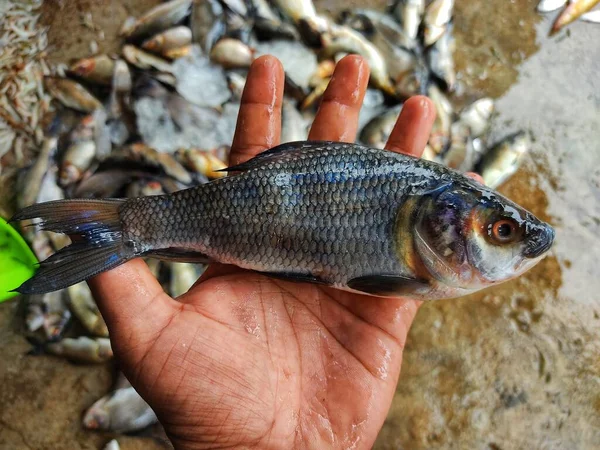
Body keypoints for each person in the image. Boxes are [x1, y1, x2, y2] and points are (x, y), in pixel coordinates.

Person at [89, 55, 476, 449]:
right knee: (138, 225)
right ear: (438, 217)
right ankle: (119, 226)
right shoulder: (416, 268)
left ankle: (111, 225)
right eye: (501, 232)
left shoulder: (419, 240)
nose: (506, 248)